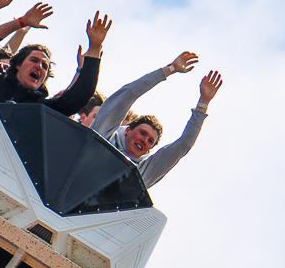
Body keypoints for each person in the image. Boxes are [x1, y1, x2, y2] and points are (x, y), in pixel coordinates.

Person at [91, 51, 222, 188]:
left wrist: (203, 103)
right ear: (127, 130)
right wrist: (170, 69)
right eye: (142, 133)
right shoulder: (102, 137)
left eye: (150, 141)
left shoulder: (140, 173)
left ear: (148, 151)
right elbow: (127, 95)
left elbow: (183, 145)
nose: (144, 140)